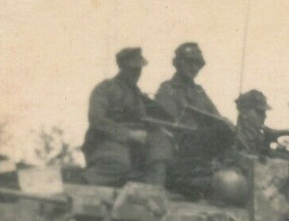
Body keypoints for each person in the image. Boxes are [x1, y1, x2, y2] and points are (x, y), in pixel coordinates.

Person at [82, 47, 173, 187]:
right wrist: (129, 134)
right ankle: (82, 184)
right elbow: (97, 120)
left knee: (160, 142)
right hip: (106, 140)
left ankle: (153, 192)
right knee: (119, 164)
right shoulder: (105, 88)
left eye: (139, 69)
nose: (137, 73)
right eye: (132, 69)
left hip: (134, 143)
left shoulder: (139, 96)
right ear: (122, 67)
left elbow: (159, 117)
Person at [154, 43, 233, 197]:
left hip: (200, 149)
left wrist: (224, 121)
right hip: (178, 146)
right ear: (178, 63)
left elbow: (215, 116)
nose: (194, 67)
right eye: (189, 62)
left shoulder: (199, 92)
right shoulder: (167, 89)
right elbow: (168, 122)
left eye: (198, 64)